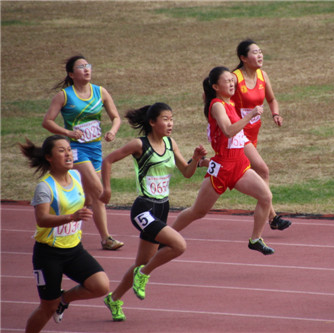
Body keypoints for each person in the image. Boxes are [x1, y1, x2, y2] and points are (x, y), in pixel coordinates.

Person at [99, 102, 206, 321]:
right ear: (152, 122)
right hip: (144, 208)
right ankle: (144, 275)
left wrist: (195, 160)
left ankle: (115, 298)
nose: (170, 124)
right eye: (165, 119)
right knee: (179, 245)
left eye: (172, 119)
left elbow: (186, 172)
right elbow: (108, 160)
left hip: (162, 208)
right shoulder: (139, 144)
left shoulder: (170, 143)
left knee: (140, 263)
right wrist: (107, 189)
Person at [171, 66, 275, 256]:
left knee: (266, 197)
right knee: (198, 212)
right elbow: (228, 131)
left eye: (232, 80)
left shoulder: (230, 104)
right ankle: (167, 235)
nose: (231, 83)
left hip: (240, 165)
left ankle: (255, 239)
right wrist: (251, 114)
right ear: (215, 86)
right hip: (222, 168)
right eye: (226, 80)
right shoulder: (217, 105)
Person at [21, 135, 109, 332]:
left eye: (69, 149)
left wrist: (89, 204)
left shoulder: (77, 176)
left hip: (74, 250)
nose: (68, 154)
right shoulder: (45, 187)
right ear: (49, 157)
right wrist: (72, 217)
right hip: (48, 255)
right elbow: (42, 219)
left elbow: (81, 201)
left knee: (101, 285)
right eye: (61, 151)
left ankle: (64, 299)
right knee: (47, 307)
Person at [42, 54, 124, 250]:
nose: (87, 69)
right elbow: (47, 122)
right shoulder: (64, 96)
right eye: (81, 67)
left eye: (88, 65)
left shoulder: (100, 92)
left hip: (95, 148)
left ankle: (57, 218)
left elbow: (116, 117)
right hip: (76, 150)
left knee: (89, 198)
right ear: (71, 74)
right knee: (99, 191)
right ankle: (106, 238)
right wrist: (68, 132)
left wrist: (112, 131)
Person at [232, 39, 291, 231]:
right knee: (262, 170)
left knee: (235, 170)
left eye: (260, 51)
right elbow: (218, 100)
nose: (259, 55)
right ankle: (272, 216)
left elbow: (271, 99)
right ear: (243, 58)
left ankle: (205, 162)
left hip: (253, 134)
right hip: (238, 134)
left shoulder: (262, 75)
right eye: (254, 52)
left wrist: (276, 113)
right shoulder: (234, 78)